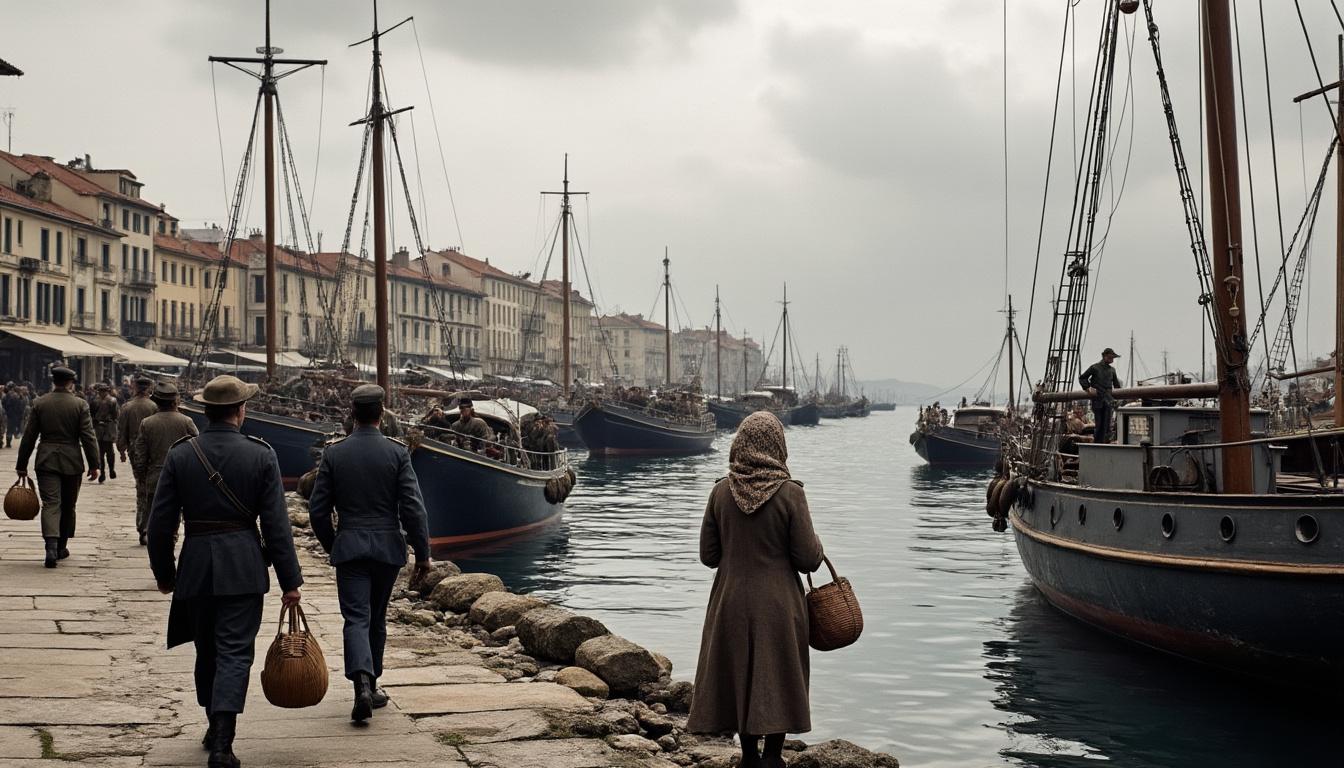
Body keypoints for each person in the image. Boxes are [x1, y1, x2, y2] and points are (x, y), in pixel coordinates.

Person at [146, 375, 303, 768]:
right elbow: (276, 526)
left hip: (196, 565)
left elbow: (160, 524)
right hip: (244, 567)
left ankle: (213, 722)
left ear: (207, 411)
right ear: (240, 411)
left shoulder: (183, 454)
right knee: (235, 653)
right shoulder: (261, 454)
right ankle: (223, 742)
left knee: (207, 650)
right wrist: (290, 582)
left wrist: (165, 573)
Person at [687, 412, 824, 768]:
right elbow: (809, 559)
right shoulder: (791, 494)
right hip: (780, 603)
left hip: (730, 600)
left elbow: (708, 556)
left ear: (740, 445)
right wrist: (818, 543)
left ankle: (748, 755)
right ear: (777, 446)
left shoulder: (720, 492)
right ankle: (774, 756)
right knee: (777, 672)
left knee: (738, 671)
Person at [308, 384, 431, 723]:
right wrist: (422, 554)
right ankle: (372, 683)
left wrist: (334, 545)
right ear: (381, 414)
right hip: (387, 548)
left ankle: (361, 683)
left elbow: (318, 511)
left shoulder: (334, 453)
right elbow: (413, 509)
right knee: (376, 618)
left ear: (353, 415)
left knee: (356, 618)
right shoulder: (397, 452)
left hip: (350, 546)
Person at [15, 367, 100, 568]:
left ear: (53, 381)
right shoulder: (80, 404)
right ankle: (61, 546)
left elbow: (29, 436)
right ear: (71, 382)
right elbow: (88, 436)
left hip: (46, 460)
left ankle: (50, 547)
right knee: (69, 504)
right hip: (72, 461)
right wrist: (94, 464)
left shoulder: (39, 403)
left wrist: (22, 464)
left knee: (51, 503)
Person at [132, 382, 198, 545]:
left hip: (154, 475)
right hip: (180, 475)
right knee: (175, 509)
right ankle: (172, 534)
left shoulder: (147, 423)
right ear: (176, 401)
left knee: (152, 505)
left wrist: (140, 475)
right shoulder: (187, 421)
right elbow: (198, 448)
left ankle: (147, 530)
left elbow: (140, 454)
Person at [117, 377, 159, 542]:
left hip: (135, 452)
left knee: (141, 489)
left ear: (134, 387)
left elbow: (122, 431)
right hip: (153, 452)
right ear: (149, 388)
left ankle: (142, 525)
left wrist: (121, 450)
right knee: (152, 490)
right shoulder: (154, 407)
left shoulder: (127, 407)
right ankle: (147, 525)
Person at [1079, 347, 1123, 444]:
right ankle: (1098, 444)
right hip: (1097, 399)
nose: (1112, 360)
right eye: (1110, 357)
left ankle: (1105, 443)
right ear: (1104, 357)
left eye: (1113, 358)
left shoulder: (1112, 370)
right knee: (1099, 425)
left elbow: (1117, 386)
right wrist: (1088, 388)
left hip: (1108, 400)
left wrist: (1121, 395)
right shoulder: (1095, 368)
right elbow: (1082, 378)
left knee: (1107, 425)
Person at [91, 382, 120, 483]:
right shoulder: (99, 401)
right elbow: (116, 415)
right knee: (105, 452)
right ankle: (105, 471)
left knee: (105, 452)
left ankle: (108, 470)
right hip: (104, 428)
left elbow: (92, 415)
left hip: (104, 428)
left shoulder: (107, 401)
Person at [2, 382, 25, 448]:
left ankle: (8, 443)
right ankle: (9, 443)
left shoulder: (5, 396)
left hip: (7, 415)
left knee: (8, 429)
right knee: (10, 429)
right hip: (13, 415)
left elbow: (3, 404)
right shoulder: (15, 396)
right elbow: (19, 406)